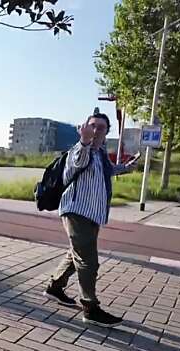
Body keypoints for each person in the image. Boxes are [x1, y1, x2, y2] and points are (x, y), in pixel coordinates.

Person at [44, 112, 137, 328]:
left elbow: (107, 171)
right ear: (84, 127)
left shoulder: (100, 153)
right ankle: (90, 308)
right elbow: (79, 162)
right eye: (92, 126)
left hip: (93, 213)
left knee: (76, 254)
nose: (96, 131)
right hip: (76, 211)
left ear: (107, 132)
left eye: (101, 128)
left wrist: (125, 168)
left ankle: (54, 288)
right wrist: (84, 141)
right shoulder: (79, 150)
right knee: (89, 261)